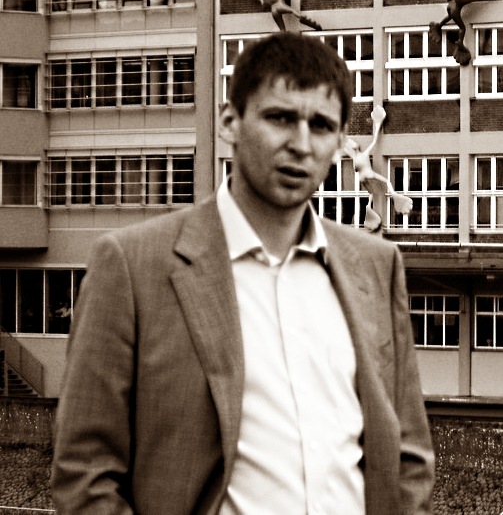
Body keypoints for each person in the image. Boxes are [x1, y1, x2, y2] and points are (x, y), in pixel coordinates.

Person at [51, 31, 435, 514]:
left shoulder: (376, 264)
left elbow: (408, 456)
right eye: (280, 118)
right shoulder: (131, 266)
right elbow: (85, 472)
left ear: (341, 142)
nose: (301, 144)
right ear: (230, 121)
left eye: (321, 125)